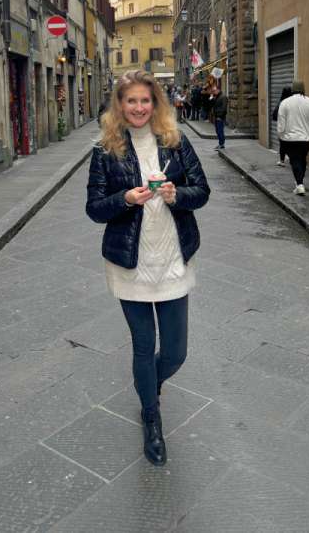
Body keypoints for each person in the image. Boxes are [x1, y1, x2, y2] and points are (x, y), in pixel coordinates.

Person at [85, 69, 210, 467]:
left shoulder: (176, 141)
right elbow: (94, 208)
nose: (138, 107)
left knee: (175, 353)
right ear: (119, 106)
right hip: (129, 264)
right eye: (130, 101)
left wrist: (176, 194)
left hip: (172, 260)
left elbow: (202, 192)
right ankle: (151, 417)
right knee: (143, 346)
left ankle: (148, 387)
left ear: (155, 103)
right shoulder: (105, 150)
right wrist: (124, 198)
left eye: (145, 100)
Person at [276, 80, 309, 195]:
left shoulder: (285, 103)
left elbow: (281, 122)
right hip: (307, 139)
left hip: (290, 138)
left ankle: (300, 184)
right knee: (302, 159)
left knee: (295, 160)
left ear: (292, 90)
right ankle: (299, 182)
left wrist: (280, 135)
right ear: (303, 89)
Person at [272, 86, 293, 166]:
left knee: (283, 144)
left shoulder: (282, 102)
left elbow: (274, 115)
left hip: (283, 126)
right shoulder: (293, 102)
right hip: (292, 126)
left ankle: (282, 161)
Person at [207, 83, 228, 150]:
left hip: (220, 117)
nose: (213, 91)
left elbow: (224, 108)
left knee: (220, 131)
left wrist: (220, 116)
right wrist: (211, 97)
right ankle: (220, 143)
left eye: (214, 90)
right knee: (217, 131)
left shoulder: (223, 97)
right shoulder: (217, 96)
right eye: (213, 90)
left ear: (218, 90)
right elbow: (211, 104)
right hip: (216, 116)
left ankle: (221, 144)